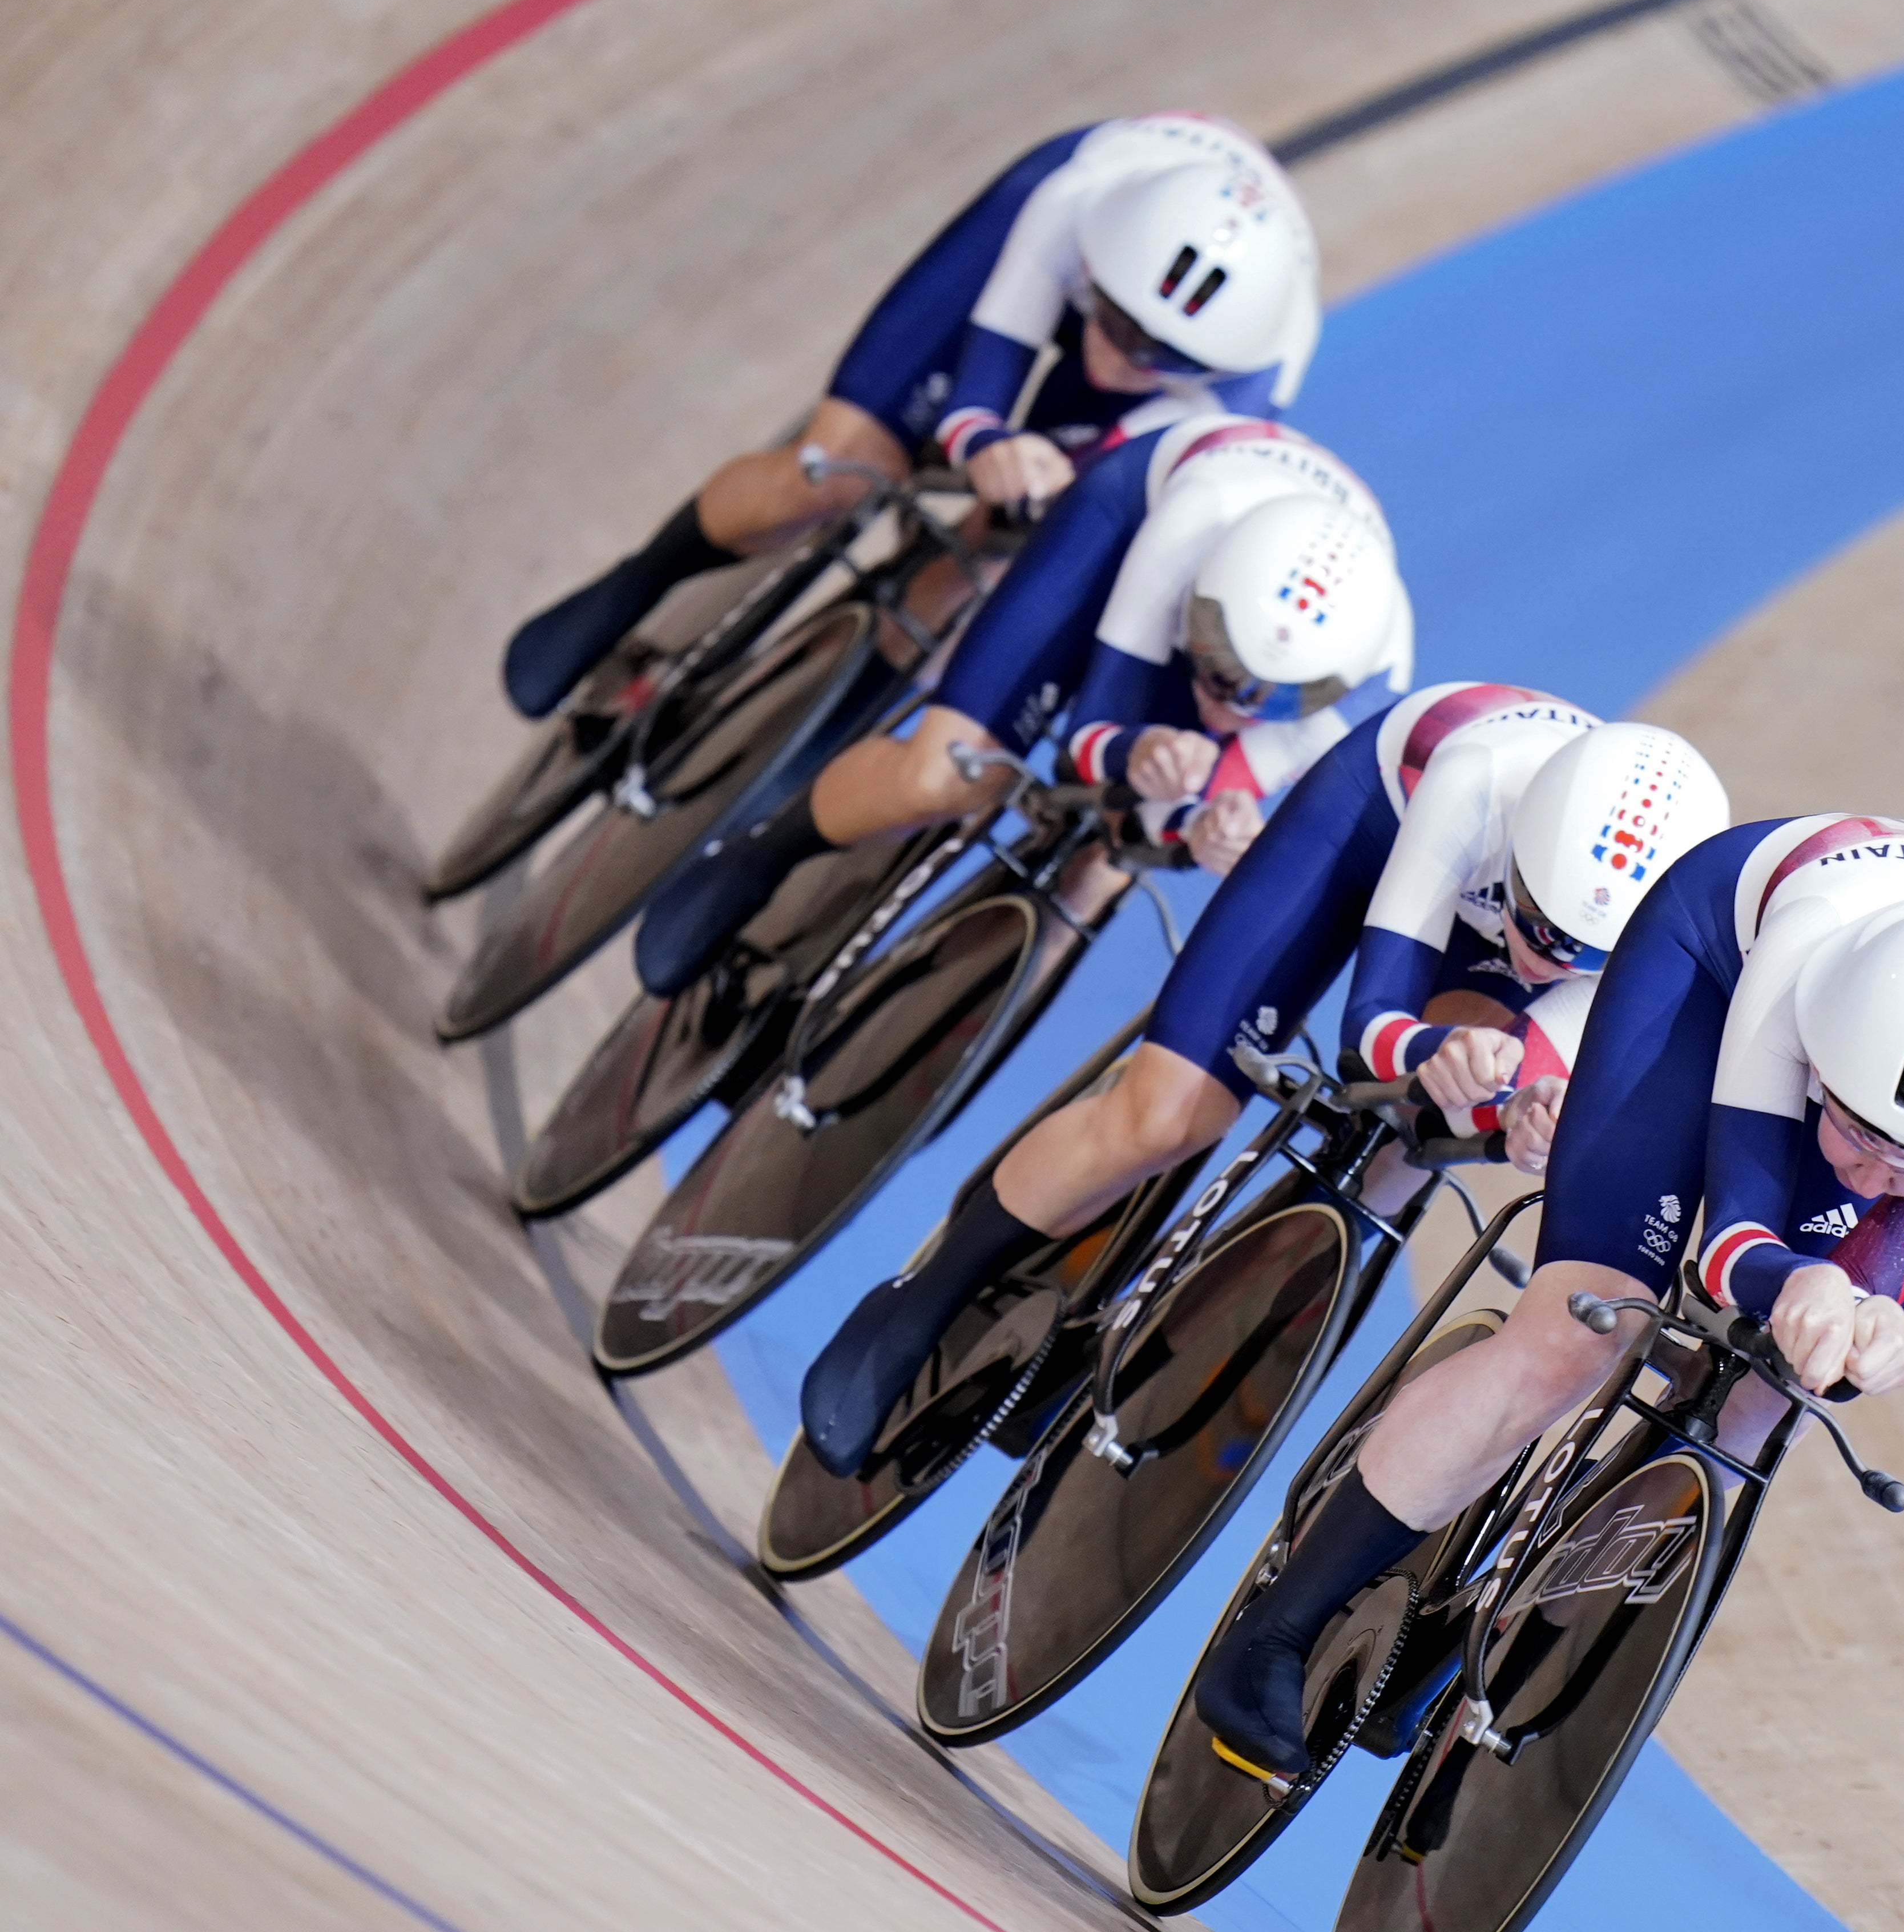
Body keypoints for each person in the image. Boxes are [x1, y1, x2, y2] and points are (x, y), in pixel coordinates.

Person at [1193, 812, 1904, 1782]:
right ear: (1822, 1073)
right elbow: (1733, 1245)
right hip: (1710, 965)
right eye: (1859, 1137)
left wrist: (1874, 1328)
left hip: (1890, 1045)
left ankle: (1503, 1649)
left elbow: (1876, 1278)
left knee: (1773, 1389)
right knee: (1583, 1327)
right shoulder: (1801, 976)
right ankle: (1272, 1636)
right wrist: (1805, 1277)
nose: (1875, 1175)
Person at [793, 691, 1734, 1478]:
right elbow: (1374, 1023)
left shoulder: (1668, 955)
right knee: (1168, 1114)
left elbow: (1571, 1092)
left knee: (1417, 1144)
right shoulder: (1479, 781)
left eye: (1580, 951)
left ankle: (1190, 1321)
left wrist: (1521, 1106)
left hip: (1522, 959)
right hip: (1371, 829)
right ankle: (918, 1304)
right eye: (1536, 916)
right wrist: (1421, 1052)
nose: (1546, 952)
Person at [501, 111, 1320, 720]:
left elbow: (1109, 490)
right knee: (832, 470)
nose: (1121, 354)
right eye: (1115, 321)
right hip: (1054, 253)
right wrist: (982, 436)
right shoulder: (1070, 200)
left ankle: (804, 742)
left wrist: (1033, 494)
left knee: (997, 556)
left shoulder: (1247, 385)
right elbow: (994, 348)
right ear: (1097, 274)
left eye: (1160, 354)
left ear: (1211, 365)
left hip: (1152, 401)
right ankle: (635, 585)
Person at [629, 413, 1407, 997]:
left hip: (1251, 603)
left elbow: (1213, 808)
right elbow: (1095, 727)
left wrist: (1214, 822)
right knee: (944, 777)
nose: (1229, 702)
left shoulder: (1372, 681)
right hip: (1126, 523)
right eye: (1217, 669)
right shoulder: (1191, 522)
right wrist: (1133, 752)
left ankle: (939, 1037)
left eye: (1260, 700)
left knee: (1108, 861)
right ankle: (769, 850)